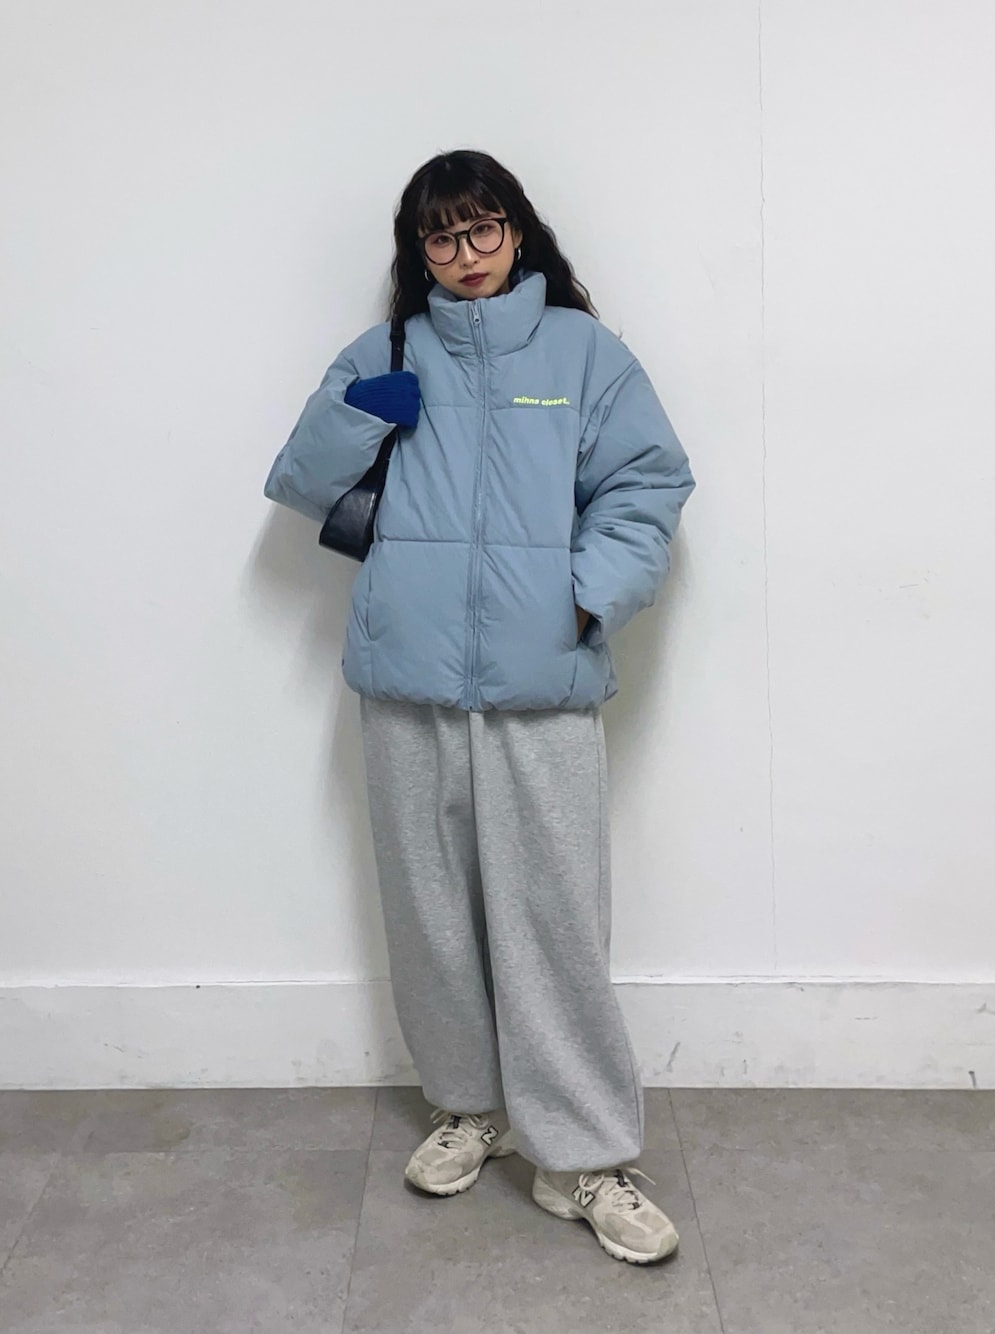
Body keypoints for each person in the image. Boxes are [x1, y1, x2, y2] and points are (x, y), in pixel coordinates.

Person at [263, 150, 695, 1266]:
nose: (464, 254)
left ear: (517, 229)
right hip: (405, 678)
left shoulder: (584, 353)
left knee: (554, 920)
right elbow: (300, 480)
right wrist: (363, 413)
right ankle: (470, 1105)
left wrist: (586, 595)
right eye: (441, 236)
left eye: (482, 228)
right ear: (418, 251)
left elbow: (648, 484)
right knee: (431, 913)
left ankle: (583, 1154)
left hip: (539, 680)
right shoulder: (385, 351)